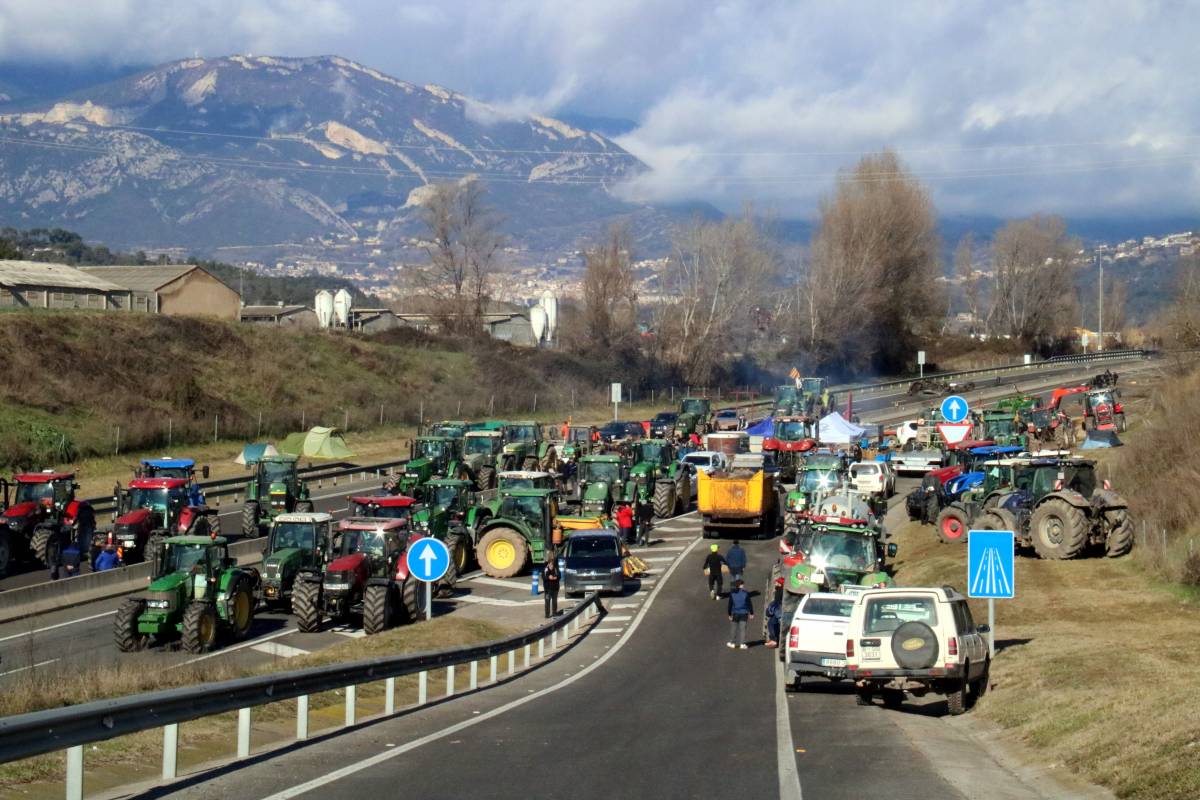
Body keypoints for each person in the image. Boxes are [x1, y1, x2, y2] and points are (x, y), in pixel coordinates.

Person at [727, 579, 754, 649]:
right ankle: (742, 644)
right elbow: (749, 604)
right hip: (744, 613)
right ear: (740, 585)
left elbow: (730, 605)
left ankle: (732, 643)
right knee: (743, 629)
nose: (743, 585)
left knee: (733, 628)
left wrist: (729, 614)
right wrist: (751, 613)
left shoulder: (732, 594)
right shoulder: (745, 593)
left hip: (735, 613)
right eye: (742, 584)